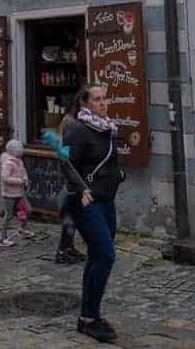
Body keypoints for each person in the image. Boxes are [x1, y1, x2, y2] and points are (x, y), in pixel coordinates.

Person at [62, 85, 124, 343]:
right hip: (86, 202)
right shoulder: (78, 129)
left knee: (98, 256)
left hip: (106, 200)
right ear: (84, 103)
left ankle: (88, 317)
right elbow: (65, 160)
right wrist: (80, 189)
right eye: (97, 99)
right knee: (106, 255)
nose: (103, 103)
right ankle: (90, 318)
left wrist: (118, 176)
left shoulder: (105, 127)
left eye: (105, 98)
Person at [55, 107, 86, 265]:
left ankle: (68, 248)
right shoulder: (65, 149)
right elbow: (68, 170)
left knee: (72, 220)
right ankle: (62, 251)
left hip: (73, 187)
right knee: (69, 220)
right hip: (71, 188)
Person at [0, 139, 33, 247]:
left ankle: (22, 228)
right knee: (9, 215)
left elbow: (24, 172)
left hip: (19, 192)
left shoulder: (20, 161)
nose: (21, 150)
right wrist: (20, 182)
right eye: (19, 148)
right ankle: (3, 238)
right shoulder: (8, 163)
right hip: (9, 194)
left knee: (26, 210)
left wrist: (26, 180)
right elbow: (5, 178)